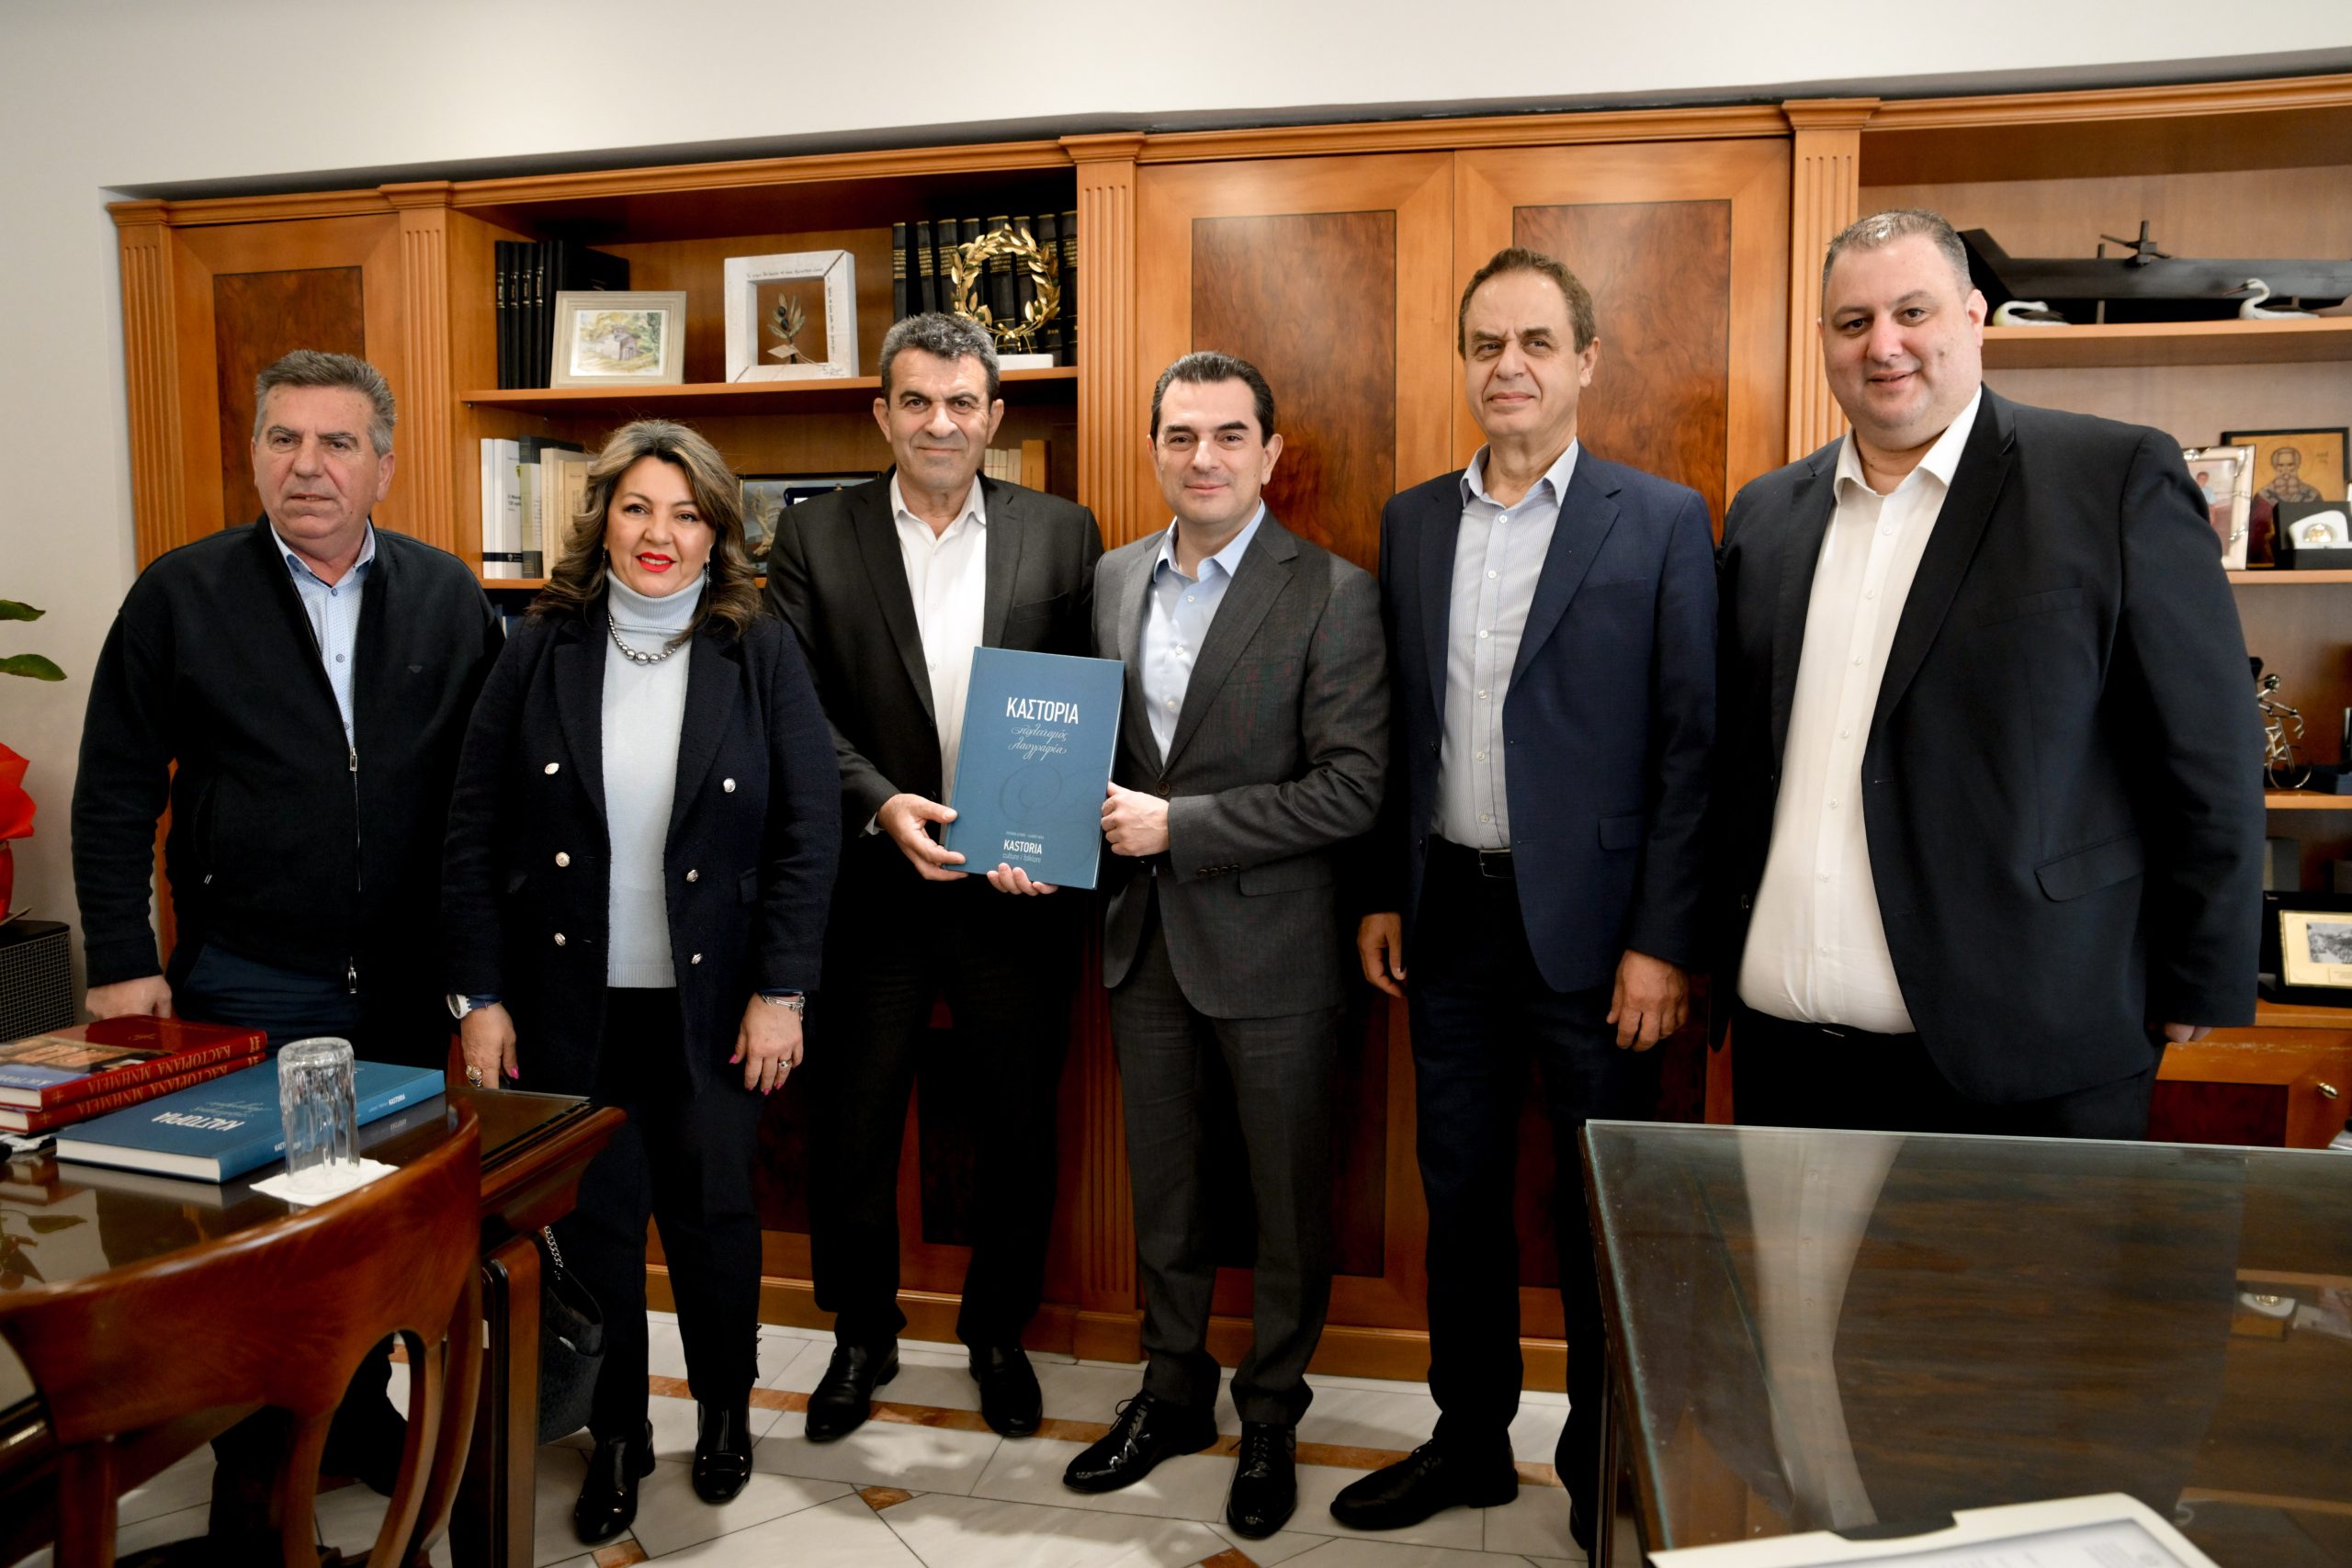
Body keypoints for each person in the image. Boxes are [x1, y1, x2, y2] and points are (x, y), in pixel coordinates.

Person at [1715, 208, 2263, 1138]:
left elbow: (2208, 751)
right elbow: (1734, 758)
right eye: (1853, 322)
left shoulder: (2112, 478)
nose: (1883, 344)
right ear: (1824, 341)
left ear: (1973, 318)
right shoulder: (1764, 515)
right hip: (1790, 1058)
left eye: (1912, 312)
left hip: (2031, 1045)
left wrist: (2201, 973)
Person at [72, 348, 503, 1523]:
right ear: (257, 454)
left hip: (404, 984)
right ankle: (256, 1474)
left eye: (336, 443)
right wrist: (122, 961)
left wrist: (481, 980)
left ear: (383, 467)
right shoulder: (182, 593)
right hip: (249, 977)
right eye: (283, 439)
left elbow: (484, 799)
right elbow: (114, 789)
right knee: (259, 1241)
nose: (307, 466)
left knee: (375, 1225)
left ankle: (356, 1418)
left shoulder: (447, 594)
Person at [1336, 247, 1717, 1553]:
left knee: (1601, 1206)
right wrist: (1385, 891)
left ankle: (1604, 1454)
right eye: (1487, 344)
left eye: (1536, 342)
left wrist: (1663, 940)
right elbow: (1399, 727)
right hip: (1449, 917)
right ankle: (1468, 1440)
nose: (1510, 366)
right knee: (1458, 1193)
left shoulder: (1658, 518)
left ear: (1585, 362)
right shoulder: (1412, 521)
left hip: (1602, 937)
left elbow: (1692, 748)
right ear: (1464, 363)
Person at [442, 419, 841, 1543]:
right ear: (603, 521)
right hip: (568, 1008)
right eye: (636, 508)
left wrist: (783, 992)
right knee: (597, 1227)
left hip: (716, 1009)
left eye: (685, 513)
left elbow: (809, 832)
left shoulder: (759, 646)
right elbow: (473, 830)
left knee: (714, 1216)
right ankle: (617, 1431)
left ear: (717, 531)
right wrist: (479, 998)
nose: (659, 534)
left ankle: (723, 1415)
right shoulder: (540, 642)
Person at [1049, 351, 1386, 1541]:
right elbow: (1082, 745)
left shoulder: (1334, 593)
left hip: (1278, 951)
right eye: (1181, 435)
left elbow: (1351, 787)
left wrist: (1180, 826)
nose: (1204, 458)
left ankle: (1274, 1413)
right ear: (1153, 447)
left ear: (1270, 453)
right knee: (1167, 1191)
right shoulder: (1111, 578)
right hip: (1142, 942)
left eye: (1230, 435)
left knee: (1288, 1202)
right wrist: (1026, 825)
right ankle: (1173, 1390)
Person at [764, 311, 1102, 1441]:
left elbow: (1087, 693)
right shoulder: (814, 536)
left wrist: (1048, 832)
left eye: (962, 403)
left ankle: (997, 1335)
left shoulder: (1063, 533)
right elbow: (795, 708)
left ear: (994, 417)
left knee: (1017, 1127)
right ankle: (861, 1335)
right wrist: (878, 802)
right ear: (882, 414)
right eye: (916, 402)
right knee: (853, 1128)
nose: (939, 424)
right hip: (872, 889)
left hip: (1016, 893)